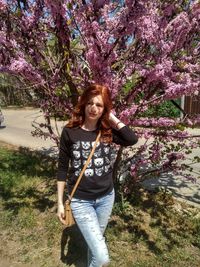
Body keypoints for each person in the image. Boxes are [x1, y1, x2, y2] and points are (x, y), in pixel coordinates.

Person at [57, 83, 138, 267]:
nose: (93, 108)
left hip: (106, 198)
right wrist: (60, 203)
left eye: (99, 105)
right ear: (83, 104)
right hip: (80, 201)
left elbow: (131, 139)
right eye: (90, 103)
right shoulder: (70, 132)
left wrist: (111, 117)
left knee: (96, 243)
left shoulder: (107, 132)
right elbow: (62, 168)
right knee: (102, 257)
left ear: (104, 109)